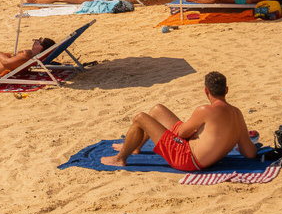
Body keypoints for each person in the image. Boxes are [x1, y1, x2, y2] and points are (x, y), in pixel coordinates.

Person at [99, 72, 256, 172]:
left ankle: (120, 158)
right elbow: (249, 153)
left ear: (206, 91)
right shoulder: (237, 114)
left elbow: (181, 134)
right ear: (226, 90)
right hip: (199, 157)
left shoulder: (205, 110)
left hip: (187, 159)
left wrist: (195, 134)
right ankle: (136, 147)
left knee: (140, 118)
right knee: (157, 110)